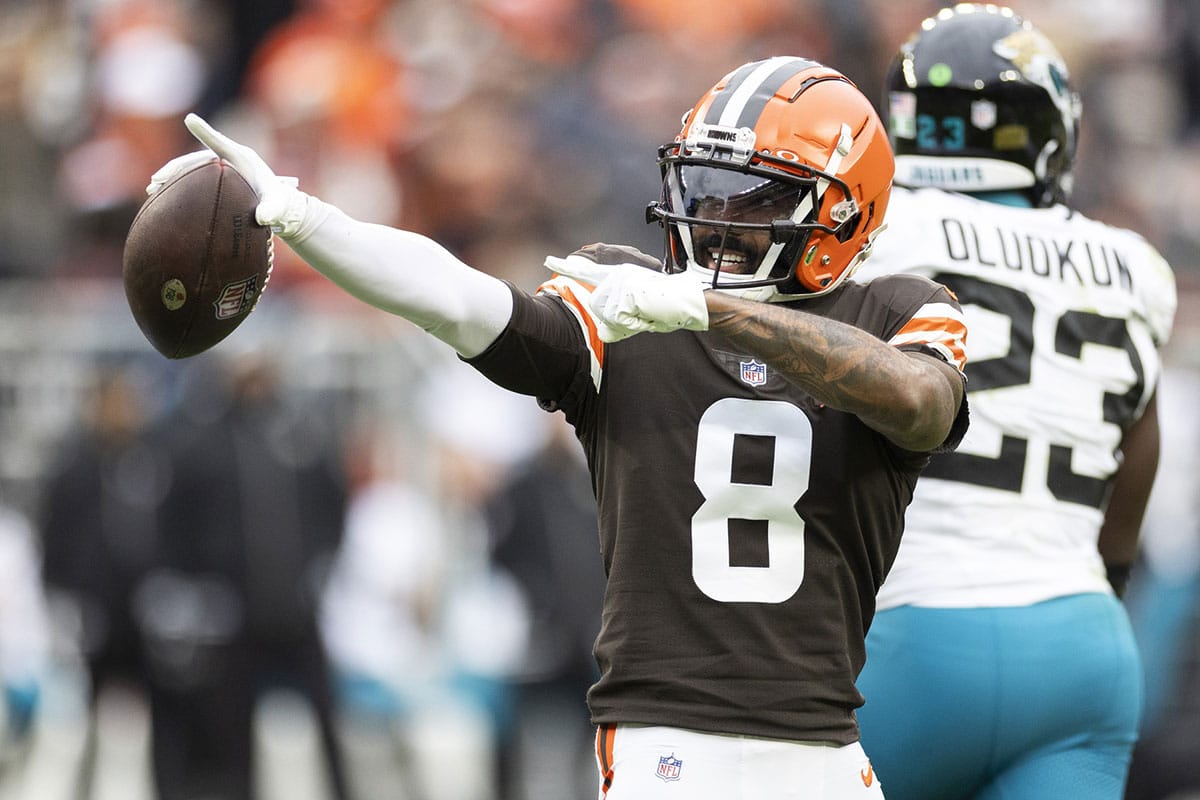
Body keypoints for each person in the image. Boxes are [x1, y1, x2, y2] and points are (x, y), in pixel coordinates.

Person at [152, 55, 970, 798]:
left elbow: (920, 404)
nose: (714, 219)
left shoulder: (897, 311)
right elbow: (459, 299)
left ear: (841, 215)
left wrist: (710, 311)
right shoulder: (626, 300)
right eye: (705, 187)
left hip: (824, 746)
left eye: (752, 197)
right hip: (666, 746)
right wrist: (308, 221)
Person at [851, 6, 1178, 800]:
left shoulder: (877, 233)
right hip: (1078, 640)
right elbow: (1137, 454)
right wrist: (1098, 587)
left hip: (910, 628)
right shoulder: (1136, 265)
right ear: (1050, 132)